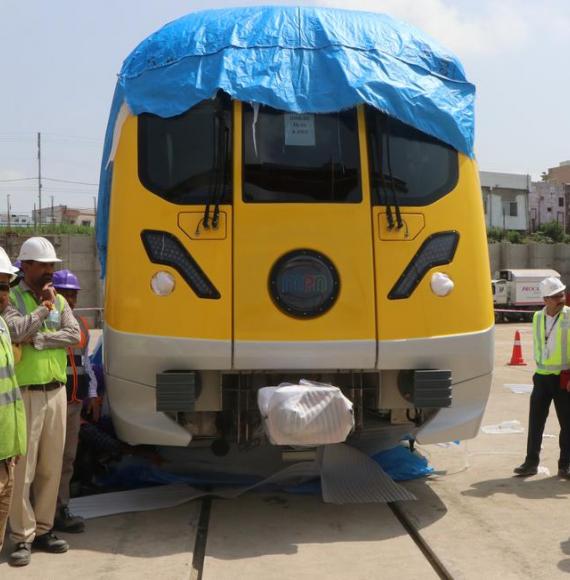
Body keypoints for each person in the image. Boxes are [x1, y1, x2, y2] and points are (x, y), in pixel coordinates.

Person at [3, 237, 80, 567]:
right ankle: (22, 536)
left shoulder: (60, 299)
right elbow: (16, 330)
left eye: (53, 266)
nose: (50, 271)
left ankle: (45, 529)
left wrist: (42, 338)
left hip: (56, 392)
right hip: (27, 393)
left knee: (51, 465)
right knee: (24, 472)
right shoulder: (13, 298)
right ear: (26, 267)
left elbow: (74, 334)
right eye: (44, 265)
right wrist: (43, 310)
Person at [52, 269, 100, 533]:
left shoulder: (81, 326)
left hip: (74, 403)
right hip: (52, 400)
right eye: (65, 294)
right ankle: (41, 513)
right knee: (47, 460)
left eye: (73, 295)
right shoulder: (48, 321)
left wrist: (91, 395)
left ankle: (61, 508)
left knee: (67, 458)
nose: (70, 300)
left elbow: (87, 363)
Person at [514, 276, 570, 478]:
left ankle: (565, 465)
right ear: (546, 299)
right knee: (535, 422)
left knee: (568, 424)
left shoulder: (569, 316)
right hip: (541, 377)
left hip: (564, 377)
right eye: (556, 296)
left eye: (562, 294)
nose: (561, 298)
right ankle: (530, 463)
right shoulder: (537, 317)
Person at [0, 248, 26, 554]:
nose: (2, 294)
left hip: (6, 452)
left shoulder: (4, 328)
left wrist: (16, 446)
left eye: (5, 286)